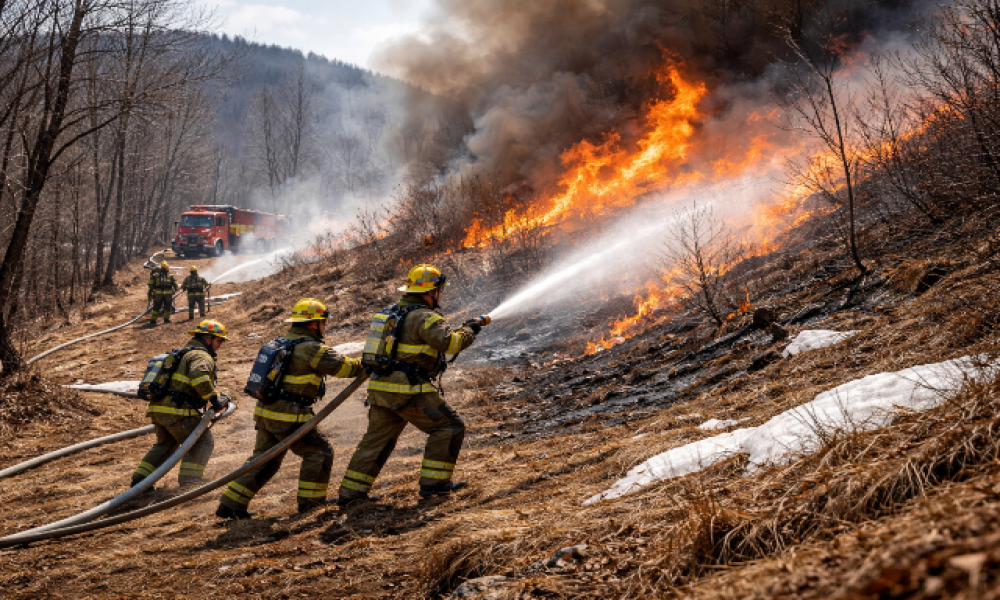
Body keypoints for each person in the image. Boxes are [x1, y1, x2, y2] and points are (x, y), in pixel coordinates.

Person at [337, 264, 480, 505]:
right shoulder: (425, 316)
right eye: (440, 291)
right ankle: (434, 487)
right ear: (430, 292)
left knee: (376, 441)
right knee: (449, 427)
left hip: (380, 390)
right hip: (409, 391)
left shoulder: (386, 314)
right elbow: (451, 344)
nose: (441, 296)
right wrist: (470, 329)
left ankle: (351, 495)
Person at [217, 298, 363, 520]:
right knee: (318, 453)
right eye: (323, 322)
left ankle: (230, 505)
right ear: (314, 324)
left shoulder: (282, 342)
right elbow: (346, 369)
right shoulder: (312, 348)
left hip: (266, 413)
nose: (325, 326)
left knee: (264, 460)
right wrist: (371, 360)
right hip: (288, 416)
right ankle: (311, 504)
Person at [132, 320, 230, 488]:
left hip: (159, 409)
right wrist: (214, 400)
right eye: (219, 340)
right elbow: (199, 377)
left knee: (166, 444)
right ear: (208, 339)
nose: (220, 345)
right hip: (178, 411)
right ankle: (190, 482)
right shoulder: (201, 356)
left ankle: (140, 480)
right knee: (202, 442)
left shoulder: (183, 354)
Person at [148, 260, 178, 325]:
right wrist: (175, 290)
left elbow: (150, 284)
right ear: (167, 268)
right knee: (168, 306)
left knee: (156, 307)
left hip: (158, 294)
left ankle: (153, 321)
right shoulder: (171, 276)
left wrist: (153, 290)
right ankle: (166, 319)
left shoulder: (155, 275)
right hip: (168, 294)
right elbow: (176, 285)